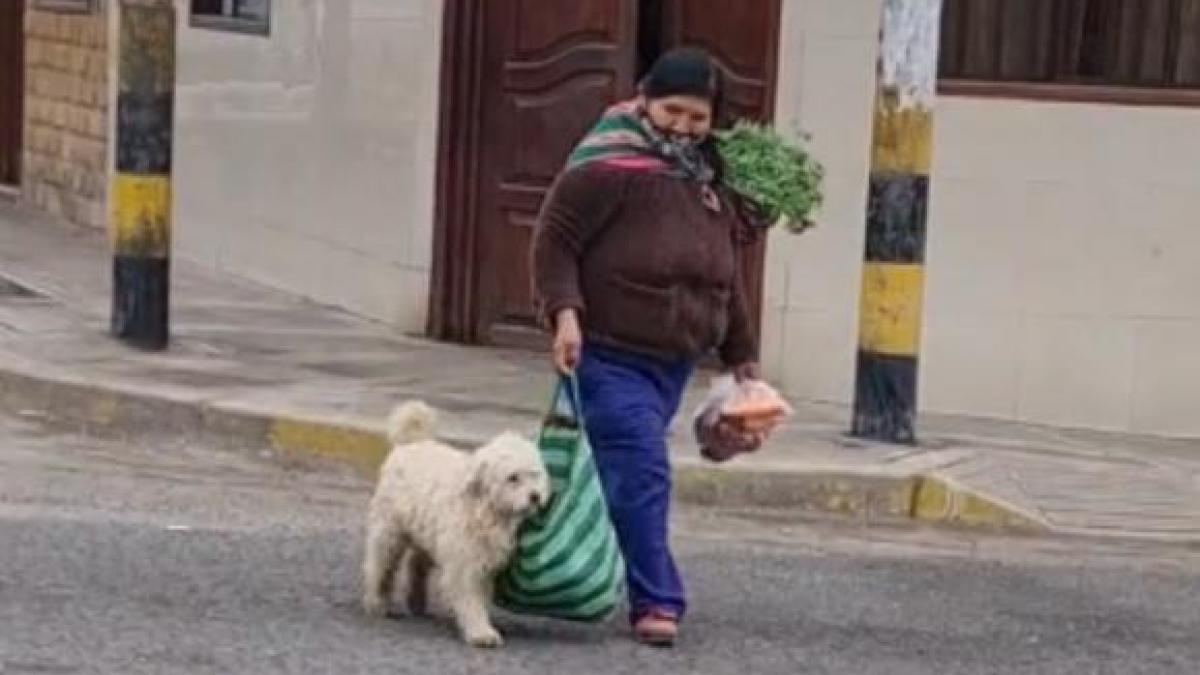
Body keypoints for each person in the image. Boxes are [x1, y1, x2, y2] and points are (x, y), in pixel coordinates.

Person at [531, 48, 766, 647]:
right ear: (644, 100)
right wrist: (565, 316)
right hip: (607, 351)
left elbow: (726, 273)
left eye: (698, 117)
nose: (683, 127)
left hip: (674, 360)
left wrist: (742, 354)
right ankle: (657, 598)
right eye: (672, 111)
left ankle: (538, 564)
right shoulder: (607, 165)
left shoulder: (708, 178)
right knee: (641, 466)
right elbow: (554, 242)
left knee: (621, 473)